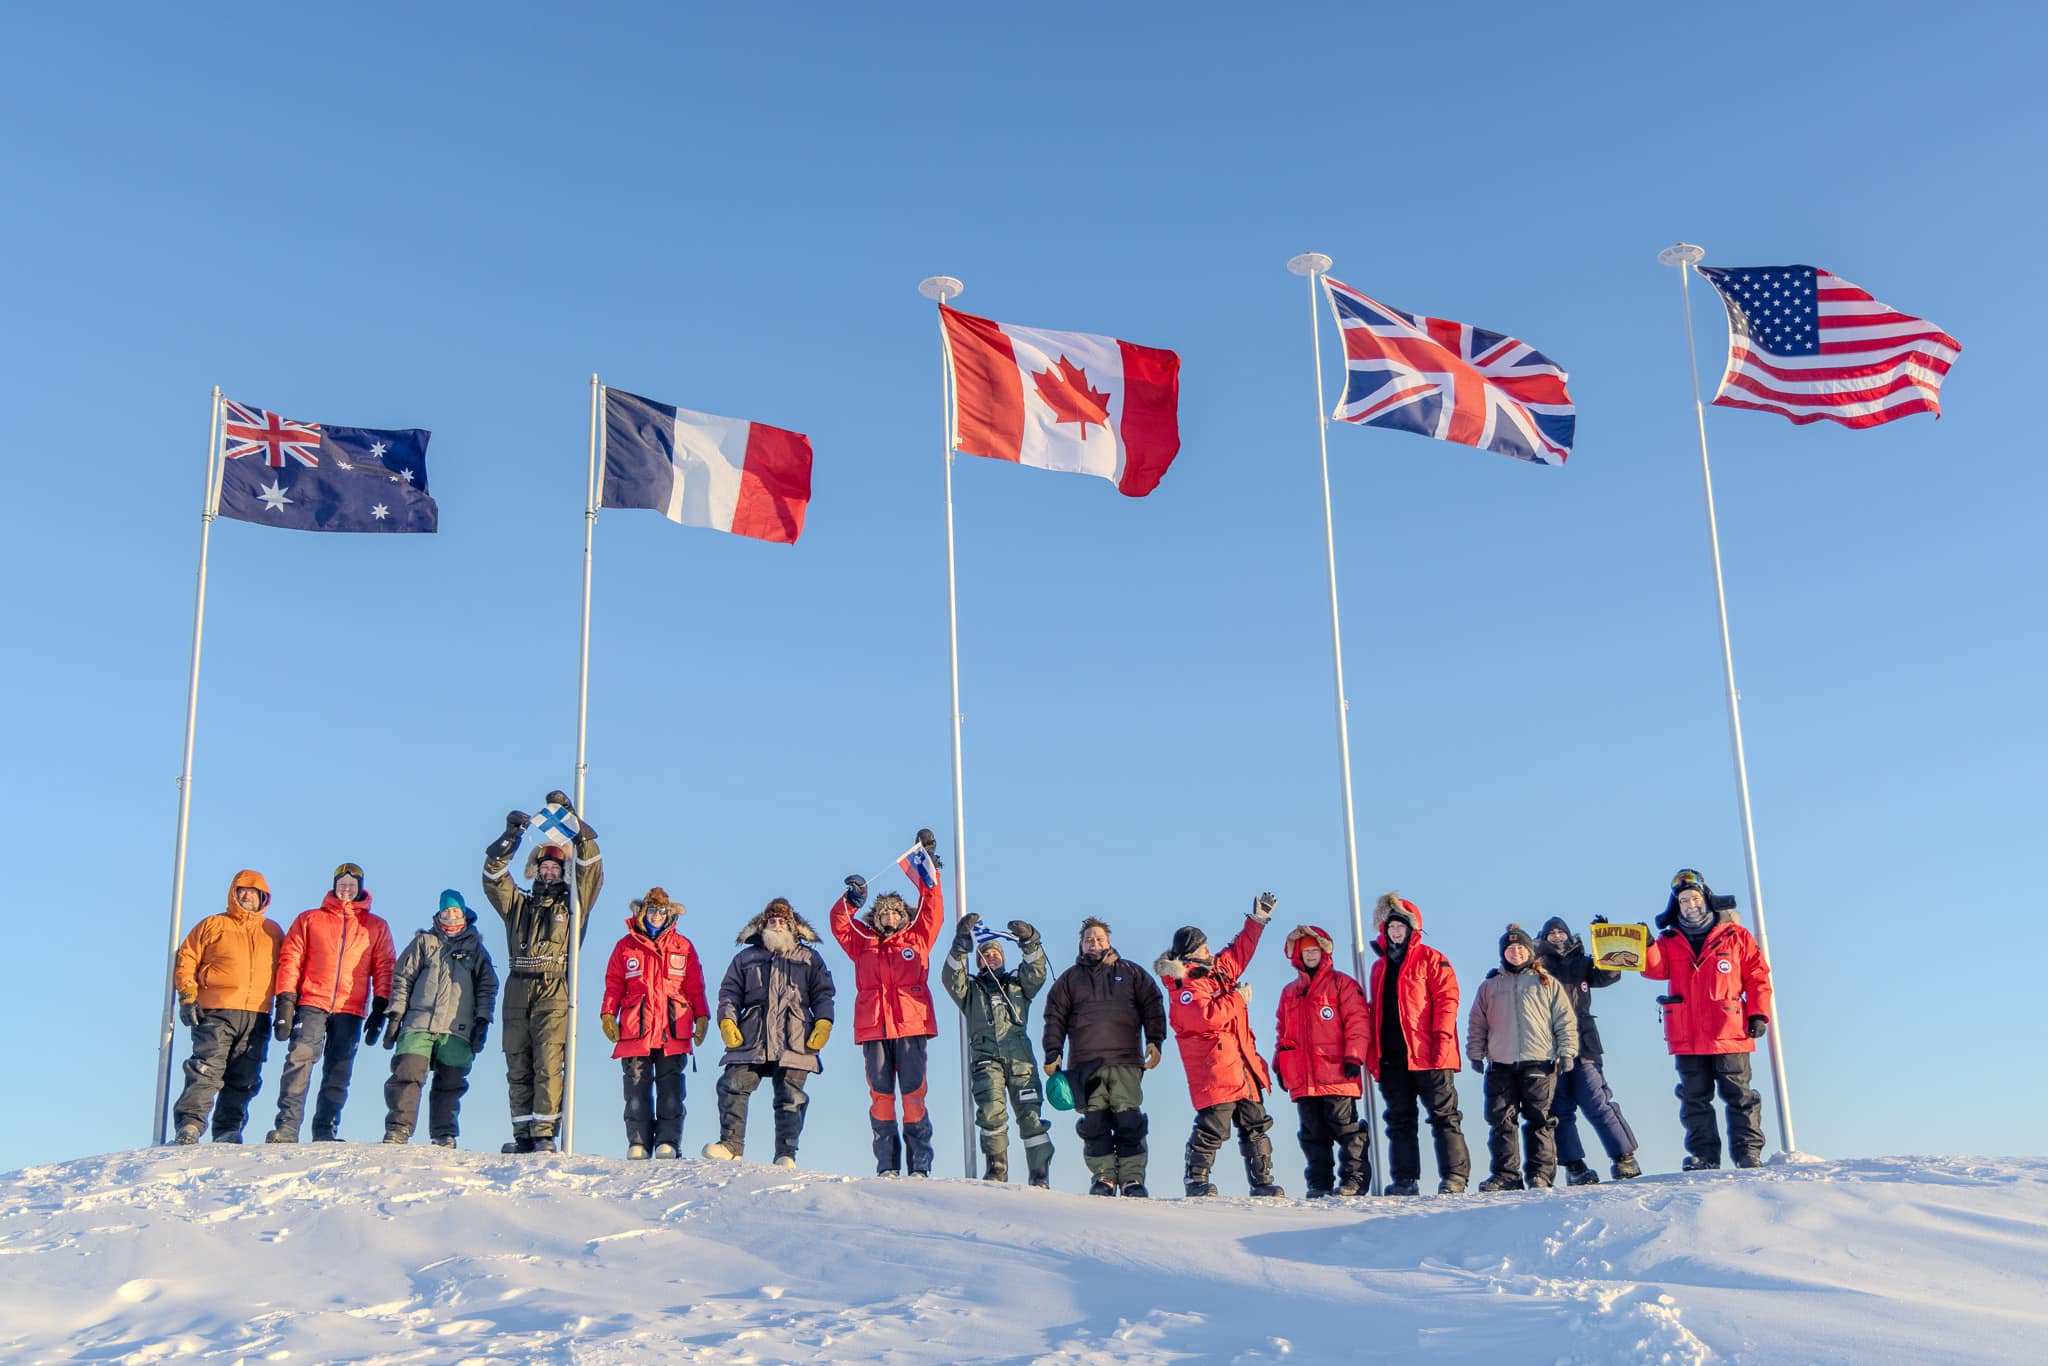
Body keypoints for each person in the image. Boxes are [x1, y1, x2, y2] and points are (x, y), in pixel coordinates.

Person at [483, 793, 603, 1154]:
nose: (549, 871)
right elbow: (494, 881)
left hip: (554, 986)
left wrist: (580, 834)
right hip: (518, 986)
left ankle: (544, 1134)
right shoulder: (519, 905)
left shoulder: (573, 904)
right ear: (535, 869)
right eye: (544, 866)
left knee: (549, 1062)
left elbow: (591, 874)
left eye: (555, 866)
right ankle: (522, 1133)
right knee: (517, 1061)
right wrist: (509, 841)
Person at [829, 829, 946, 1177]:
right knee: (881, 1100)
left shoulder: (918, 938)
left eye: (895, 912)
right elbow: (839, 925)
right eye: (884, 912)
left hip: (911, 1025)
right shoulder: (862, 943)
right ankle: (886, 1166)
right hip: (873, 1028)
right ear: (876, 916)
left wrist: (931, 871)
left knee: (913, 1097)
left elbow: (933, 907)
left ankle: (920, 1166)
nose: (890, 917)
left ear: (903, 915)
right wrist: (851, 900)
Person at [1643, 869, 1775, 1171]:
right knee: (1694, 1099)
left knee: (1740, 1095)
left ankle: (1748, 1153)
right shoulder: (1668, 940)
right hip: (1687, 1034)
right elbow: (1655, 970)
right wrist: (1648, 945)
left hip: (1728, 1030)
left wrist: (1758, 1013)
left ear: (1707, 900)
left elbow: (1758, 976)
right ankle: (1703, 1156)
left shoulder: (1736, 936)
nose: (1690, 905)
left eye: (1695, 898)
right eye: (1684, 900)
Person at [1156, 894, 1283, 1198]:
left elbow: (1239, 953)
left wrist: (1257, 921)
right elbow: (1205, 1017)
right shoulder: (1184, 985)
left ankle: (1262, 1181)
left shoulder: (1216, 970)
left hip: (1241, 1063)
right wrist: (1237, 998)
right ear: (1189, 953)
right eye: (1202, 946)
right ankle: (1196, 1179)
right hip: (1215, 1069)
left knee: (1256, 1123)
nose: (1208, 949)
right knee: (1214, 1126)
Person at [267, 863, 396, 1143]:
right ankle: (287, 1127)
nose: (346, 889)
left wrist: (380, 1007)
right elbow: (291, 959)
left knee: (339, 1069)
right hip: (312, 1001)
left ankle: (325, 1129)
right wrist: (286, 1001)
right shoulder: (310, 919)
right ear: (334, 886)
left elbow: (384, 966)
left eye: (351, 884)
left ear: (360, 888)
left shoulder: (375, 926)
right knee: (299, 1059)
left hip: (351, 1007)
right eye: (341, 883)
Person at [704, 898, 837, 1166]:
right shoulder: (745, 958)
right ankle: (731, 1145)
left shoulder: (809, 958)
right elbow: (729, 994)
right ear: (763, 925)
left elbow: (824, 994)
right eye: (771, 921)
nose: (776, 925)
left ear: (792, 927)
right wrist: (727, 1022)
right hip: (753, 1037)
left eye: (782, 921)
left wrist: (824, 1022)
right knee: (731, 1085)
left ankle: (786, 1154)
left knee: (791, 1096)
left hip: (795, 1037)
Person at [1042, 916, 1167, 1197]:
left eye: (1099, 938)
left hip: (1126, 1061)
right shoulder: (1069, 979)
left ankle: (1133, 1179)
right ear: (1081, 945)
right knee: (1095, 1122)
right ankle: (1104, 1177)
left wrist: (1155, 1041)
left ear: (1109, 942)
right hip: (1086, 1066)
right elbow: (1054, 1017)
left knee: (1128, 1120)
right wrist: (1053, 1052)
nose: (1094, 943)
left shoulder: (1132, 973)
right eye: (1088, 939)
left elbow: (1153, 1006)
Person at [1365, 893, 1471, 1195]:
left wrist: (1442, 1040)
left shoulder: (1432, 959)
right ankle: (1404, 1179)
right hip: (1393, 1056)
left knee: (1444, 1117)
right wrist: (1374, 1053)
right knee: (1399, 1119)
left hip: (1429, 1053)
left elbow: (1447, 1000)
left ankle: (1454, 1176)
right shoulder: (1379, 967)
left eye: (1400, 926)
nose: (1395, 932)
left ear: (1412, 928)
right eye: (1390, 927)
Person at [170, 869, 285, 1144]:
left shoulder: (273, 931)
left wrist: (286, 1008)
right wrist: (187, 996)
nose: (246, 896)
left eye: (253, 892)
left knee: (245, 1076)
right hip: (216, 1009)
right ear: (233, 894)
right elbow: (186, 958)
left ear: (263, 898)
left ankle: (228, 1130)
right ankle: (190, 1124)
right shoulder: (213, 925)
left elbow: (287, 968)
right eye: (241, 891)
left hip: (258, 1013)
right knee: (207, 1067)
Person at [942, 913, 1053, 1186]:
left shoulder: (1017, 985)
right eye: (984, 955)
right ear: (978, 961)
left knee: (1031, 1117)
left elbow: (1036, 973)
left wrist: (1029, 942)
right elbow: (950, 977)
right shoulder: (971, 989)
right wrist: (960, 945)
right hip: (986, 1060)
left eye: (994, 954)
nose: (990, 957)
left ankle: (1039, 1174)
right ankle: (997, 1168)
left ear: (1002, 958)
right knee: (991, 1112)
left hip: (1020, 1061)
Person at [380, 890, 498, 1147]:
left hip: (457, 1028)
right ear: (439, 913)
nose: (451, 916)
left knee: (451, 1083)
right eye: (446, 911)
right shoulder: (424, 942)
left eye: (456, 911)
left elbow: (487, 987)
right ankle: (398, 1129)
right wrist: (396, 1014)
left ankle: (444, 1134)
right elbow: (402, 978)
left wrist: (482, 1021)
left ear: (464, 914)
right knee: (407, 1074)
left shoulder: (476, 949)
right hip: (419, 1023)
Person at [600, 887, 709, 1159]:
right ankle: (638, 1142)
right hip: (636, 1028)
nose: (657, 915)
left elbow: (695, 987)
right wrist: (607, 1014)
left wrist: (701, 1016)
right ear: (642, 912)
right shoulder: (625, 946)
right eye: (652, 910)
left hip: (673, 1028)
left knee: (671, 1090)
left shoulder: (683, 946)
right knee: (636, 1087)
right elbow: (614, 985)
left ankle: (667, 1142)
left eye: (662, 911)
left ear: (669, 914)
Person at [1468, 924, 1578, 1192]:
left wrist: (1567, 1051)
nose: (1515, 952)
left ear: (1529, 951)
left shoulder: (1546, 983)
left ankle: (1540, 1174)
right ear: (1502, 953)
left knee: (1539, 1120)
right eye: (1510, 948)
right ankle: (1506, 1174)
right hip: (1501, 1064)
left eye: (1520, 948)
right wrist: (1475, 1052)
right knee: (1501, 1121)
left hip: (1539, 1061)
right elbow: (1477, 1022)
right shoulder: (1490, 986)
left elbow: (1565, 1020)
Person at [1536, 916, 1641, 1182]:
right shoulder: (1536, 966)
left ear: (1570, 936)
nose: (1557, 937)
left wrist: (1606, 940)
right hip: (1549, 1044)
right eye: (1552, 934)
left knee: (1596, 1100)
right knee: (1558, 1107)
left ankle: (1624, 1157)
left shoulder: (1581, 963)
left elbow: (1608, 975)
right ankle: (1575, 1167)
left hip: (1584, 1043)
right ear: (1543, 939)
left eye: (1561, 932)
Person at [1272, 923, 1372, 1197]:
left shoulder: (1342, 984)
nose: (1311, 956)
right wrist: (1280, 1063)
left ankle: (1354, 1179)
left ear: (1324, 952)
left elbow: (1358, 1022)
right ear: (1298, 956)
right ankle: (1319, 1183)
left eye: (1315, 950)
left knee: (1345, 1128)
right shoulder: (1290, 992)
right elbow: (1282, 1031)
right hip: (1303, 1077)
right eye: (1306, 952)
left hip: (1336, 1072)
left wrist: (1354, 1055)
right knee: (1312, 1135)